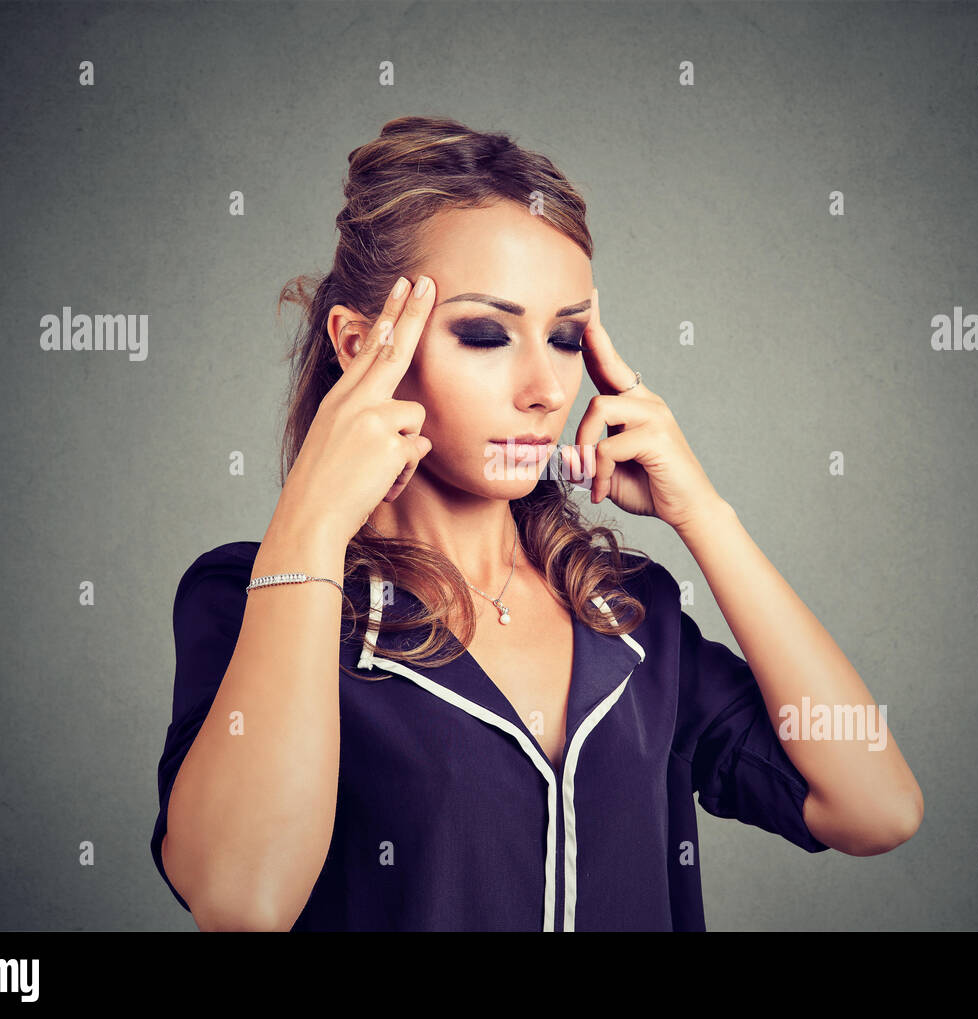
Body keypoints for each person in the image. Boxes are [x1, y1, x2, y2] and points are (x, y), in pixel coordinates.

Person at [150, 115, 924, 931]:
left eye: (562, 338)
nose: (546, 389)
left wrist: (705, 514)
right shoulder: (254, 597)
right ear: (359, 342)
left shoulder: (629, 613)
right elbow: (241, 899)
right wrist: (309, 526)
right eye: (486, 335)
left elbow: (877, 809)